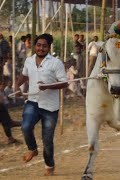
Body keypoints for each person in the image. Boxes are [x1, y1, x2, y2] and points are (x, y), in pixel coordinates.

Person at [15, 33, 68, 176]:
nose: (41, 48)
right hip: (32, 102)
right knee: (25, 126)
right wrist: (17, 86)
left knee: (47, 140)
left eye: (44, 46)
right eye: (38, 45)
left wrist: (48, 86)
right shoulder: (29, 61)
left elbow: (64, 83)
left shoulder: (56, 63)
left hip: (50, 107)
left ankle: (49, 165)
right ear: (35, 46)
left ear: (49, 47)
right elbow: (25, 75)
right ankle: (32, 149)